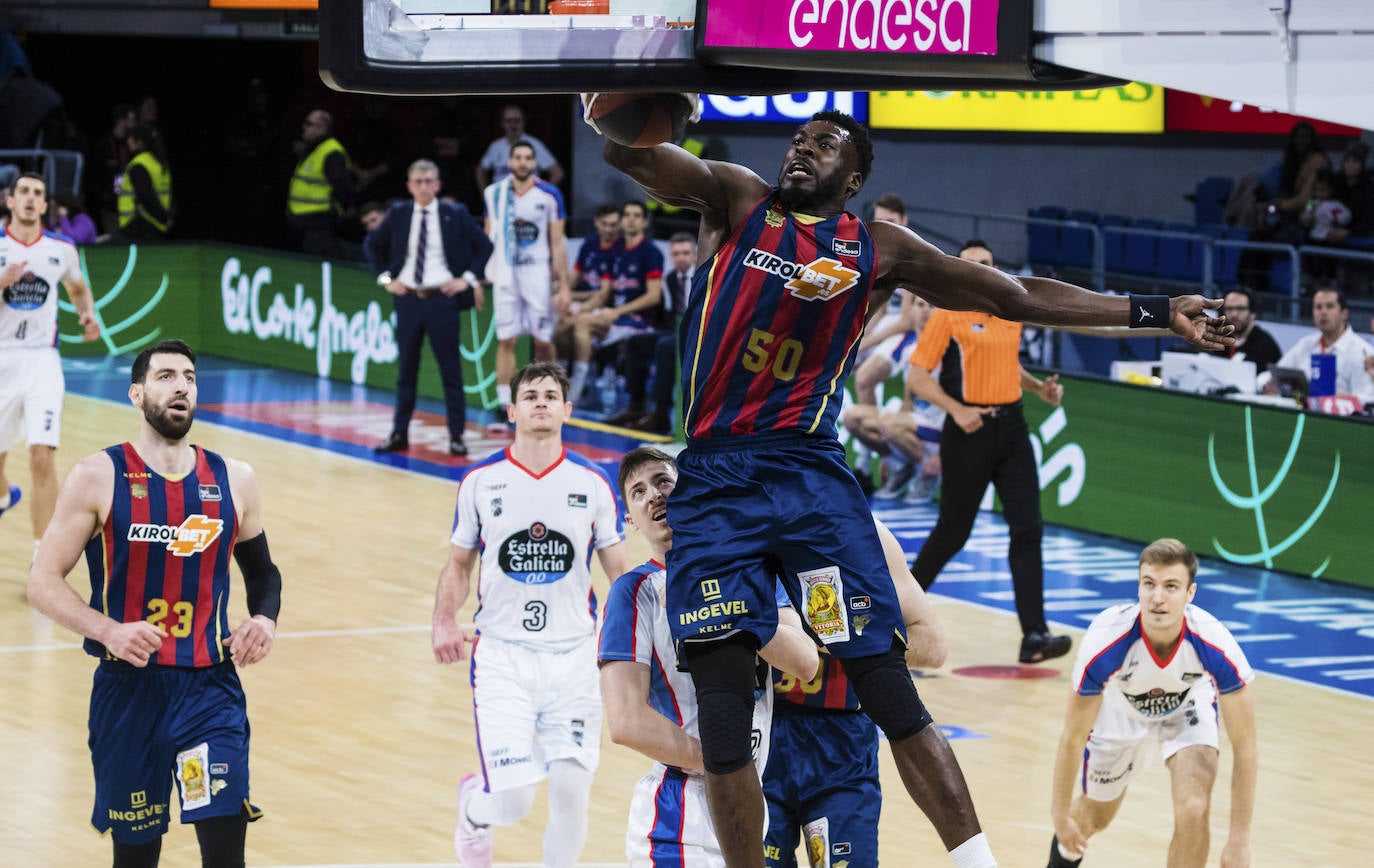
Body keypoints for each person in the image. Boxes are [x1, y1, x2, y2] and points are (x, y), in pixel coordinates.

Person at [597, 107, 1230, 868]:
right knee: (726, 716)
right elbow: (629, 152)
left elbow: (1012, 294)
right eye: (798, 140)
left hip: (805, 471)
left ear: (855, 178)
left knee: (888, 688)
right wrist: (621, 90)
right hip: (717, 475)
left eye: (823, 145)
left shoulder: (878, 248)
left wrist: (1157, 313)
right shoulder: (739, 199)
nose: (802, 150)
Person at [27, 338, 282, 868]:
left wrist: (263, 617)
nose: (182, 385)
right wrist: (107, 630)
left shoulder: (234, 478)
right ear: (136, 394)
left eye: (189, 376)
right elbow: (43, 582)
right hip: (129, 693)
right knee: (137, 855)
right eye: (166, 376)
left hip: (209, 690)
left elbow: (262, 572)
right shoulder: (98, 475)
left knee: (223, 843)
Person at [431, 361, 631, 868]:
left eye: (550, 395)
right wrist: (443, 620)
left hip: (575, 659)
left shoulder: (593, 482)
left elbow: (621, 575)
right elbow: (458, 563)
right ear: (512, 408)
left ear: (566, 410)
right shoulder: (482, 480)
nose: (540, 401)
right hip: (502, 657)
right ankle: (474, 810)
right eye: (530, 394)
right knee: (514, 802)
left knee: (570, 794)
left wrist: (632, 645)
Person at [600, 446, 820, 867]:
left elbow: (806, 662)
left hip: (747, 805)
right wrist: (723, 764)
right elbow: (625, 722)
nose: (653, 496)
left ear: (690, 490)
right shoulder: (634, 591)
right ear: (630, 519)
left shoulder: (750, 575)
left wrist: (733, 610)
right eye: (638, 492)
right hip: (679, 820)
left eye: (662, 481)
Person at [907, 240, 1073, 665]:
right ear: (956, 273)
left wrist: (1039, 388)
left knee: (1027, 527)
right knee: (952, 532)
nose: (980, 270)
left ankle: (1034, 634)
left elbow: (1007, 364)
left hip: (1012, 428)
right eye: (971, 265)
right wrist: (958, 410)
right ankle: (897, 618)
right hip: (969, 431)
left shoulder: (1008, 311)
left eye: (987, 263)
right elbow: (918, 378)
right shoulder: (947, 316)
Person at [1046, 539, 1256, 868]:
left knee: (1193, 809)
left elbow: (1246, 746)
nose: (1158, 597)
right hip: (1119, 710)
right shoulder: (1105, 642)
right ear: (1139, 587)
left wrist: (1239, 841)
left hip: (1187, 702)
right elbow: (1072, 737)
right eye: (1149, 584)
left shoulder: (1215, 643)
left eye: (1171, 586)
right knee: (1093, 818)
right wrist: (1059, 815)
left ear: (1190, 593)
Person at [765, 518, 948, 868]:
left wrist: (855, 640)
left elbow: (933, 646)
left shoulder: (866, 533)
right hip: (758, 735)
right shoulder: (739, 529)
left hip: (840, 745)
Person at [0, 173, 100, 555]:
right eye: (23, 191)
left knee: (41, 454)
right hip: (2, 358)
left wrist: (87, 315)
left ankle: (44, 559)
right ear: (10, 201)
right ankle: (5, 496)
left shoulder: (62, 248)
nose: (30, 198)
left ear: (44, 206)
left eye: (37, 194)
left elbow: (77, 286)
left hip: (43, 360)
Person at [366, 159, 493, 456]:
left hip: (441, 300)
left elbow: (484, 246)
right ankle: (399, 434)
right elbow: (372, 244)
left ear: (437, 185)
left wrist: (468, 279)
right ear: (409, 186)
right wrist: (386, 279)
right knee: (405, 372)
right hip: (408, 299)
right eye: (418, 182)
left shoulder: (454, 214)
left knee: (451, 372)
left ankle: (456, 436)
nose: (423, 187)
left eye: (429, 181)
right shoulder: (398, 214)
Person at [844, 193, 925, 495]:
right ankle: (872, 455)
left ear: (904, 221)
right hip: (888, 329)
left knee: (865, 376)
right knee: (859, 375)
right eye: (881, 221)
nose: (886, 227)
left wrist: (867, 341)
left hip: (910, 332)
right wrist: (860, 340)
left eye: (891, 222)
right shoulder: (874, 251)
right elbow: (877, 306)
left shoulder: (911, 253)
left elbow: (905, 321)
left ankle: (877, 456)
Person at [483, 140, 571, 409]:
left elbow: (557, 242)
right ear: (509, 162)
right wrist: (480, 276)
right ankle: (504, 404)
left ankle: (554, 395)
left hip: (537, 273)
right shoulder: (494, 193)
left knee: (543, 342)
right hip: (506, 274)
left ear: (534, 163)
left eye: (527, 158)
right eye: (517, 157)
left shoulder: (550, 194)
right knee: (506, 339)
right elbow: (488, 237)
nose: (522, 162)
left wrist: (563, 285)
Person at [568, 200, 664, 416]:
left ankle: (576, 390)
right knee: (569, 322)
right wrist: (581, 308)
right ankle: (583, 386)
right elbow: (604, 292)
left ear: (645, 223)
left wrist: (615, 312)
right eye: (627, 215)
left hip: (639, 321)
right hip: (616, 318)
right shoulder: (616, 251)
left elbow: (654, 296)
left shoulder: (650, 252)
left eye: (636, 216)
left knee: (583, 324)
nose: (630, 219)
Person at [627, 230, 697, 434]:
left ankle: (661, 413)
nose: (681, 258)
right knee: (635, 342)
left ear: (694, 255)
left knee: (666, 346)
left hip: (700, 335)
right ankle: (636, 405)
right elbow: (670, 315)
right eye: (676, 254)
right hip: (677, 330)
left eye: (685, 253)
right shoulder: (671, 278)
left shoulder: (704, 275)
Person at [1258, 284, 1374, 403]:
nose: (1323, 312)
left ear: (1344, 313)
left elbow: (1367, 401)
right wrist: (1266, 385)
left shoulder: (1362, 352)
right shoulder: (1306, 344)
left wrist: (1338, 400)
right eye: (1318, 307)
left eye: (1330, 306)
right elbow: (1273, 374)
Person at [554, 202, 621, 370]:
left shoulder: (620, 249)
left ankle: (577, 380)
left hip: (605, 306)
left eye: (613, 225)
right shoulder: (589, 244)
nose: (608, 230)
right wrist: (562, 291)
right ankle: (561, 371)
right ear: (596, 222)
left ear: (619, 225)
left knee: (572, 323)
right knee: (556, 318)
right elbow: (574, 277)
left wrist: (578, 304)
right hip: (584, 299)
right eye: (604, 224)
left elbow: (604, 294)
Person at [287, 108, 360, 258]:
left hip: (319, 224)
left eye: (308, 124)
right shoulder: (314, 148)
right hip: (304, 222)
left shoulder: (332, 152)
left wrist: (347, 209)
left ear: (321, 128)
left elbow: (342, 185)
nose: (304, 127)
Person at [476, 102, 565, 191]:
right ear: (502, 123)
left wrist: (543, 195)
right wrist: (486, 198)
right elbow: (480, 171)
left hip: (529, 201)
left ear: (523, 122)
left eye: (517, 120)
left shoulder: (534, 145)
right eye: (509, 121)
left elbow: (557, 173)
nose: (513, 125)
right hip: (502, 200)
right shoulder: (495, 147)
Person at [112, 124, 172, 243]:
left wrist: (164, 217)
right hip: (155, 225)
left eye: (131, 138)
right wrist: (166, 218)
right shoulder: (158, 162)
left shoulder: (139, 165)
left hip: (139, 226)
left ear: (141, 142)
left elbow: (146, 198)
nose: (128, 141)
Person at [1203, 287, 1281, 370]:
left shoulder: (1265, 346)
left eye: (1240, 308)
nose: (1234, 314)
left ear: (1252, 313)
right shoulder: (1219, 339)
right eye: (1229, 309)